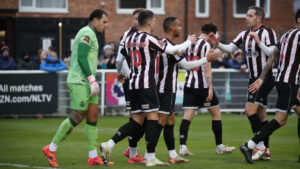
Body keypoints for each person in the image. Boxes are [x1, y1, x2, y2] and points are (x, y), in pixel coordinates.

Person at [100, 9, 197, 166]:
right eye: (154, 21)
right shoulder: (149, 38)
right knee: (153, 118)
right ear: (150, 23)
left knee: (137, 120)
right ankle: (150, 157)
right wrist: (189, 42)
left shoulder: (130, 38)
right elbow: (174, 50)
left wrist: (123, 73)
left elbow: (119, 60)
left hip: (132, 84)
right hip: (146, 84)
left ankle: (109, 145)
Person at [42, 9, 111, 167]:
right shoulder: (86, 32)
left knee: (93, 117)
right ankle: (50, 149)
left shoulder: (92, 34)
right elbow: (81, 57)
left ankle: (93, 156)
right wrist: (91, 78)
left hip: (89, 81)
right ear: (94, 20)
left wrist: (92, 80)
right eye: (104, 22)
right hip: (79, 80)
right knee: (78, 115)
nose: (106, 25)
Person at [208, 6, 277, 160]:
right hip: (253, 78)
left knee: (249, 110)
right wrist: (218, 44)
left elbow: (273, 54)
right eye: (246, 15)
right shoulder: (244, 34)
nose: (246, 18)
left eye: (250, 15)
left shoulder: (268, 32)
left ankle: (259, 147)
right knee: (261, 115)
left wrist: (259, 42)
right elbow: (230, 48)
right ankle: (265, 151)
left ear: (258, 18)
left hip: (264, 78)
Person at [156, 18, 221, 164]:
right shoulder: (172, 45)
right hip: (171, 88)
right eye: (178, 25)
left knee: (173, 119)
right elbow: (195, 66)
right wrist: (205, 59)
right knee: (158, 121)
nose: (181, 27)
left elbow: (185, 63)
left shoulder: (175, 45)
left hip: (184, 85)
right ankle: (148, 154)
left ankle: (176, 152)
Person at [240, 9, 300, 164]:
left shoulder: (286, 35)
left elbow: (272, 57)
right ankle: (250, 145)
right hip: (290, 83)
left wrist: (261, 78)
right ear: (299, 20)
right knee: (281, 120)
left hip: (280, 80)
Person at [178, 23, 235, 156]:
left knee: (187, 116)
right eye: (215, 35)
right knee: (216, 114)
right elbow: (207, 70)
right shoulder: (206, 45)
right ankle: (220, 146)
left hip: (189, 84)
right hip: (202, 85)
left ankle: (182, 147)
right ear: (211, 34)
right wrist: (210, 89)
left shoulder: (190, 43)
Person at [116, 8, 147, 164]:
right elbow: (120, 59)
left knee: (143, 116)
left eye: (138, 18)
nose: (136, 21)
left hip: (142, 81)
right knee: (136, 117)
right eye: (134, 18)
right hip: (133, 81)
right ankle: (132, 151)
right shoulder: (127, 35)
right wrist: (129, 74)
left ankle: (132, 149)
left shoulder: (143, 35)